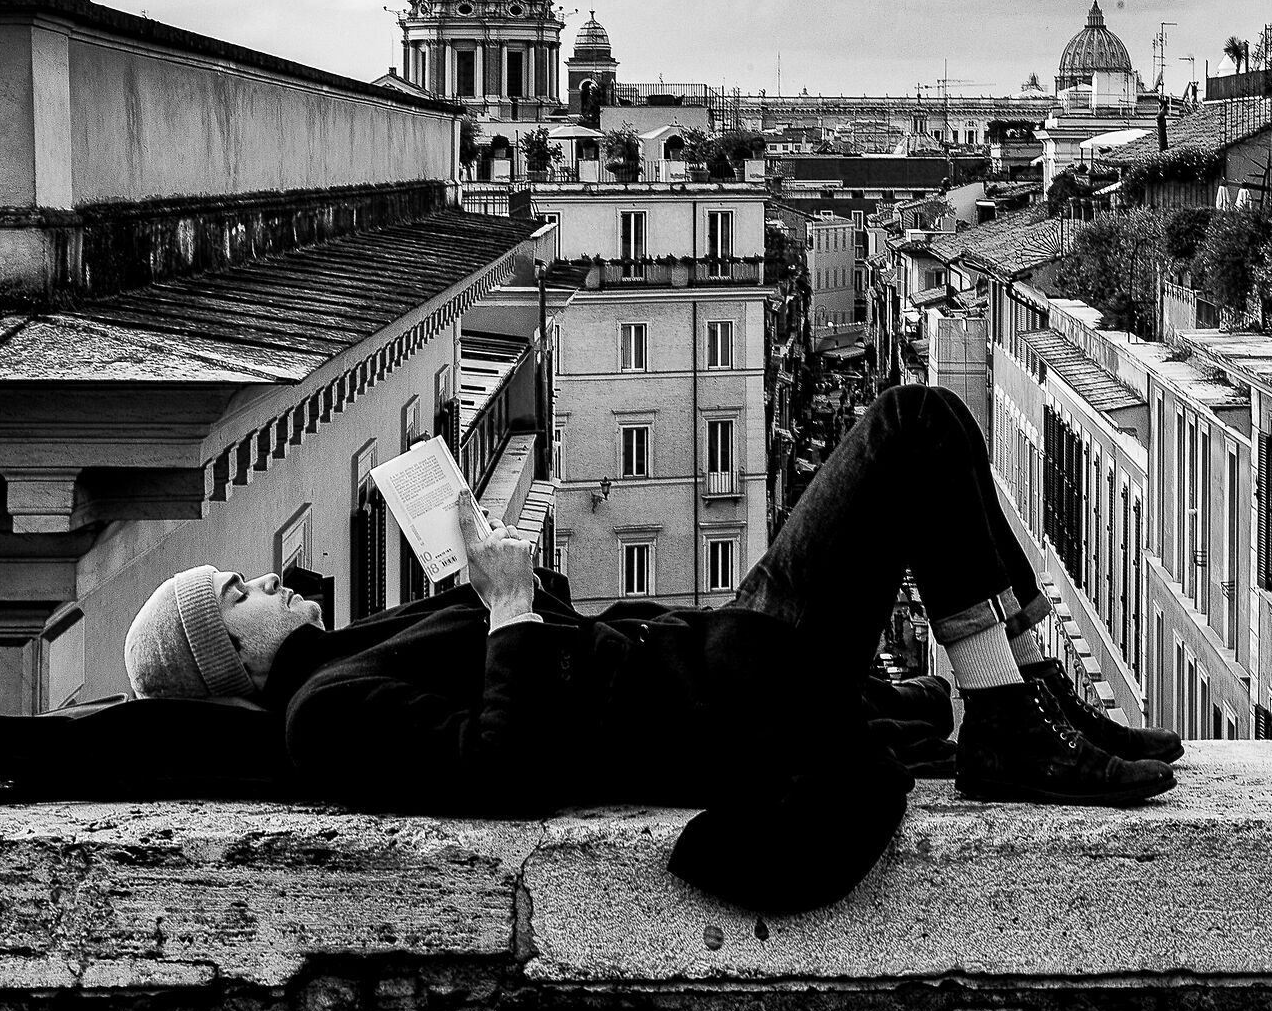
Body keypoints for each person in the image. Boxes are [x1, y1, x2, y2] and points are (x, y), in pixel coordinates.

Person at [122, 383, 1183, 911]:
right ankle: (1008, 720)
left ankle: (1031, 691)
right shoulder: (325, 715)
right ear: (230, 658)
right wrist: (501, 611)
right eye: (237, 595)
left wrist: (493, 587)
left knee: (935, 420)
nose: (262, 581)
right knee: (910, 428)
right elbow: (510, 766)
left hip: (718, 654)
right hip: (725, 695)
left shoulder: (354, 654)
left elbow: (536, 661)